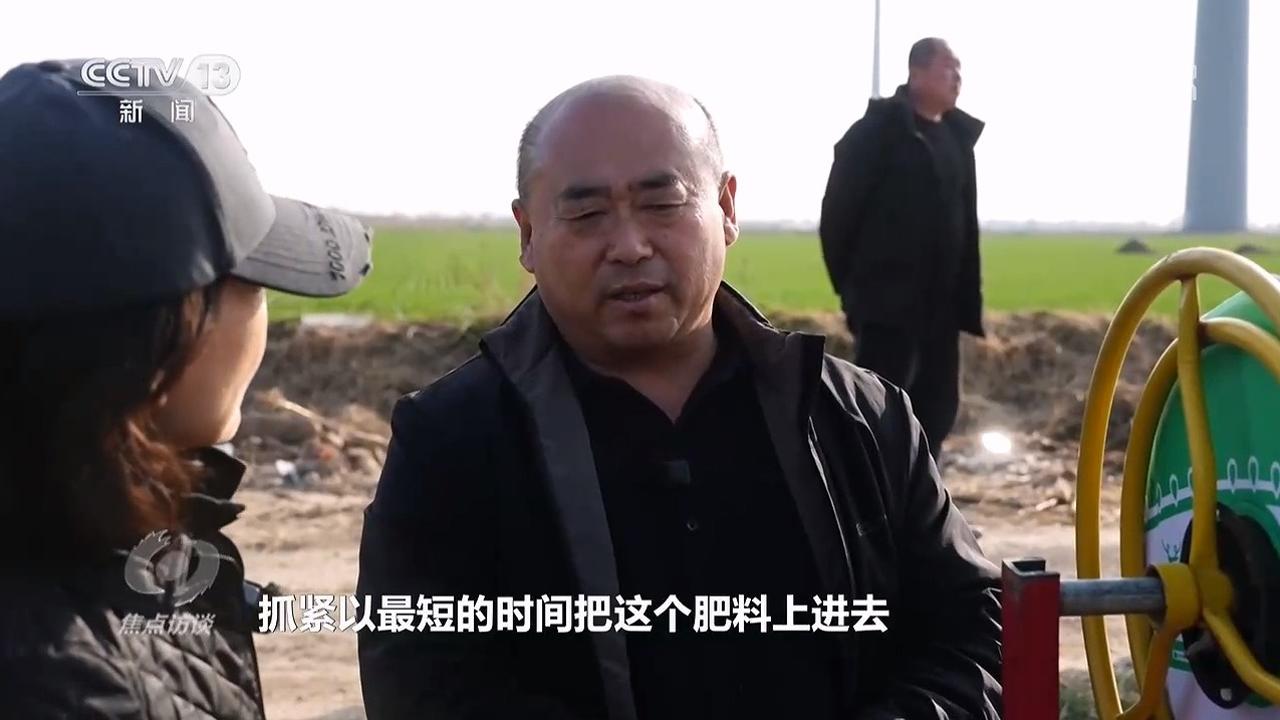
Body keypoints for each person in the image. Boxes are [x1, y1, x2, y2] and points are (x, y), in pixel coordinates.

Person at [357, 74, 1000, 720]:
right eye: (586, 214)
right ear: (527, 233)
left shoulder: (861, 420)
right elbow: (420, 680)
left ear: (727, 207)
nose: (630, 246)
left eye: (662, 204)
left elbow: (975, 630)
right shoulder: (449, 442)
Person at [0, 59, 372, 718]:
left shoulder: (79, 546)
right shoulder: (76, 682)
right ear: (167, 336)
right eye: (255, 283)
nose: (262, 315)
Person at [819, 37, 986, 458]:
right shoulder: (875, 134)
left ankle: (924, 497)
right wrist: (853, 292)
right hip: (887, 306)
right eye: (948, 68)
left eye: (960, 70)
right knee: (880, 411)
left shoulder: (956, 139)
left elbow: (965, 226)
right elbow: (838, 215)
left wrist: (965, 298)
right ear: (917, 72)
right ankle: (872, 496)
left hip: (941, 309)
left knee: (937, 410)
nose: (957, 79)